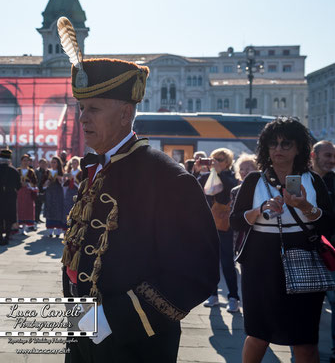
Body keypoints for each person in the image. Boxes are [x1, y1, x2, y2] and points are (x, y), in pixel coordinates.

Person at [58, 51, 218, 361]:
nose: (82, 118)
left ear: (124, 113)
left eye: (93, 109)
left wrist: (108, 321)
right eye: (81, 108)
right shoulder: (96, 169)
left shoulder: (168, 178)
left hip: (133, 344)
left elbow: (194, 273)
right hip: (81, 327)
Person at [230, 117, 334, 363]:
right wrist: (259, 210)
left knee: (305, 340)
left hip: (304, 253)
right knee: (257, 335)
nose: (278, 149)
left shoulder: (313, 180)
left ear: (299, 148)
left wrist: (305, 206)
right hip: (260, 259)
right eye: (273, 144)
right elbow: (235, 221)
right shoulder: (254, 180)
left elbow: (329, 224)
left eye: (286, 144)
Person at [198, 148, 240, 312]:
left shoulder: (230, 177)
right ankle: (213, 294)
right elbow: (197, 186)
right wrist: (200, 170)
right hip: (209, 225)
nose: (216, 161)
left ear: (228, 162)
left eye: (221, 159)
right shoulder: (207, 175)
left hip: (225, 227)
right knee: (210, 262)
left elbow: (228, 189)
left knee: (227, 263)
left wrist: (219, 172)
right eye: (214, 158)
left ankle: (233, 297)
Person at [310, 140, 335, 362]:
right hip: (307, 249)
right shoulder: (303, 179)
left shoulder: (334, 181)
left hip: (331, 251)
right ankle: (304, 347)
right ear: (313, 155)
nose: (332, 160)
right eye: (327, 155)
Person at [0, 149, 21, 245]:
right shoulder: (14, 170)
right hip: (10, 197)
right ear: (10, 159)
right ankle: (6, 237)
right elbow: (18, 186)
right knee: (8, 218)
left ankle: (0, 237)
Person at [40, 156, 65, 237]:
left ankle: (58, 231)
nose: (53, 164)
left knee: (58, 210)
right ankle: (50, 231)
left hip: (58, 193)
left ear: (58, 163)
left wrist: (60, 180)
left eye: (54, 162)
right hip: (50, 193)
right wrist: (46, 182)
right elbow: (42, 184)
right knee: (50, 209)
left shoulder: (61, 173)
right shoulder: (47, 172)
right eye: (52, 162)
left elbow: (64, 184)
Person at [16, 154, 38, 232]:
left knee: (27, 208)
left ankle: (25, 227)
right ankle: (18, 226)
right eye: (24, 160)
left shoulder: (31, 171)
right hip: (19, 192)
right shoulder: (17, 171)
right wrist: (20, 184)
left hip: (28, 192)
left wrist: (28, 184)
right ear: (21, 161)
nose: (25, 162)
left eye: (27, 161)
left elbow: (35, 182)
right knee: (19, 207)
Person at [63, 156, 82, 232]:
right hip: (69, 192)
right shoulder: (69, 173)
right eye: (72, 163)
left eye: (75, 162)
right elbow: (65, 184)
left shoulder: (80, 172)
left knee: (75, 209)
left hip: (76, 191)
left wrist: (73, 180)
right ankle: (67, 225)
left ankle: (75, 226)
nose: (73, 164)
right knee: (67, 208)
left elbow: (81, 184)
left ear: (78, 164)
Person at [34, 158, 48, 223]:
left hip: (44, 190)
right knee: (37, 205)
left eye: (44, 163)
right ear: (39, 164)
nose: (43, 164)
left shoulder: (46, 171)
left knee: (40, 205)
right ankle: (35, 219)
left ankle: (38, 218)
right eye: (42, 163)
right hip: (38, 189)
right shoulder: (36, 171)